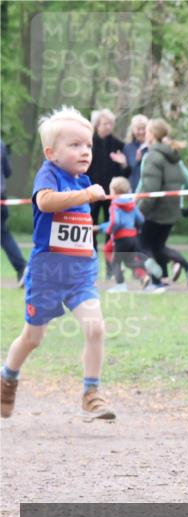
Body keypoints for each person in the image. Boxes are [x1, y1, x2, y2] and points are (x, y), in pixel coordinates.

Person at [1, 106, 115, 421]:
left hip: (80, 276)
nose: (85, 151)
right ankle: (7, 376)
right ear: (52, 152)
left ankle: (91, 393)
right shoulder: (49, 174)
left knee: (96, 329)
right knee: (33, 338)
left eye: (88, 145)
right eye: (75, 145)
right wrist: (84, 197)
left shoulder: (85, 181)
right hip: (46, 275)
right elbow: (45, 201)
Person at [138, 118, 188, 289]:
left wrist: (139, 212)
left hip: (156, 211)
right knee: (158, 247)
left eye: (147, 131)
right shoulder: (172, 156)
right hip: (171, 210)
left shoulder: (153, 157)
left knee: (142, 246)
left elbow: (150, 190)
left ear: (151, 135)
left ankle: (156, 281)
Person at [86, 109, 131, 264]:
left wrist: (124, 163)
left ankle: (110, 264)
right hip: (92, 192)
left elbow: (126, 173)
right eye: (105, 123)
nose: (108, 127)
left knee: (110, 227)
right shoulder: (88, 144)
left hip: (112, 193)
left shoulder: (118, 145)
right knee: (89, 226)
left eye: (111, 124)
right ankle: (91, 261)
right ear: (97, 125)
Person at [105, 176, 147, 292]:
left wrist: (109, 231)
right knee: (129, 262)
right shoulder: (131, 204)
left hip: (121, 238)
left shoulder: (114, 205)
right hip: (133, 237)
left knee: (115, 262)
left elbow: (115, 221)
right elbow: (141, 220)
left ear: (113, 191)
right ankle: (145, 272)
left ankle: (120, 285)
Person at [1, 138, 27, 285]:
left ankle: (22, 267)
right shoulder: (1, 143)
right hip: (1, 195)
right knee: (3, 234)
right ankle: (22, 268)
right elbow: (8, 172)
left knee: (3, 234)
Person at [123, 114, 149, 192]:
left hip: (149, 187)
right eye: (138, 129)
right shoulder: (128, 147)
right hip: (134, 187)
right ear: (133, 130)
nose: (141, 132)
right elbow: (128, 171)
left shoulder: (153, 146)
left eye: (143, 128)